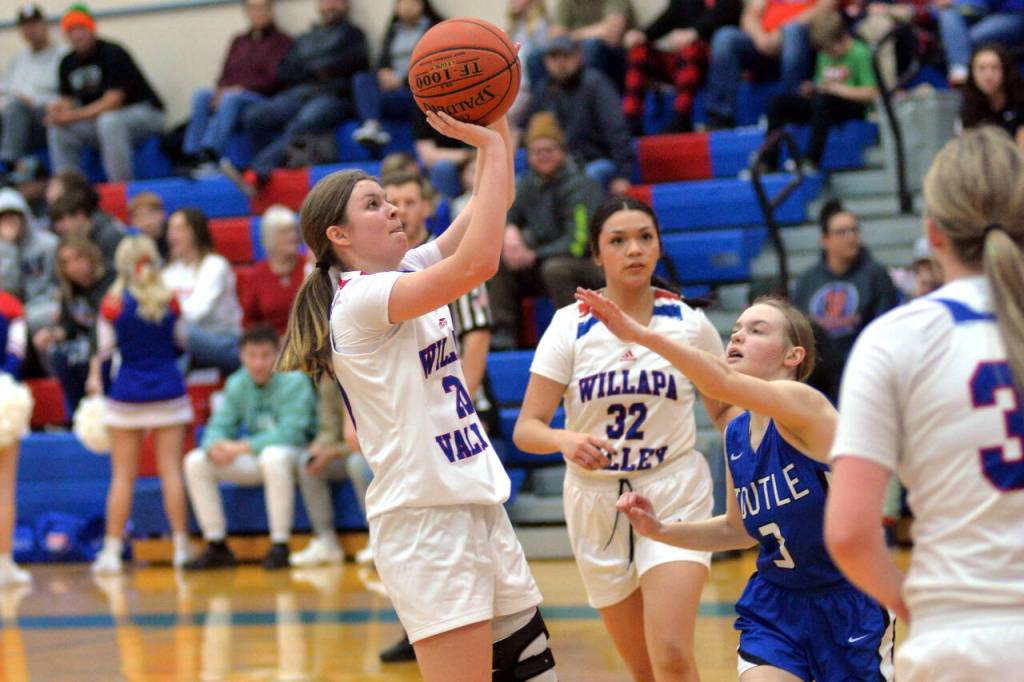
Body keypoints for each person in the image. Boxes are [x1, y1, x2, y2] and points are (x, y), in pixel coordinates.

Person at [276, 111, 557, 682]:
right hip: (424, 521)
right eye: (375, 205)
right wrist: (484, 141)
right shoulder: (358, 300)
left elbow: (490, 207)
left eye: (389, 200)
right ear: (339, 236)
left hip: (473, 504)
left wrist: (499, 120)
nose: (395, 209)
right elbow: (480, 261)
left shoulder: (405, 267)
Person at [587, 288, 895, 681]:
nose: (737, 336)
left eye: (756, 330)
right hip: (777, 604)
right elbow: (737, 530)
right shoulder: (737, 434)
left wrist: (643, 335)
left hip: (849, 601)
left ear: (793, 356)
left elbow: (720, 383)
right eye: (736, 329)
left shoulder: (807, 408)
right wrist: (660, 529)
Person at [824, 127, 1024, 680]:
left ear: (933, 234)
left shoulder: (896, 338)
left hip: (956, 640)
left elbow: (847, 531)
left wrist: (918, 607)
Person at [513, 196, 736, 681]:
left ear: (658, 247)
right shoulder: (569, 326)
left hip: (673, 489)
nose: (634, 249)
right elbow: (526, 428)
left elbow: (725, 410)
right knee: (643, 670)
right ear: (596, 254)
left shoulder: (689, 325)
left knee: (672, 654)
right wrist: (565, 440)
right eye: (618, 240)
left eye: (644, 238)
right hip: (597, 502)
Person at [85, 236, 195, 574]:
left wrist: (103, 393)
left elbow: (104, 357)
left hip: (128, 393)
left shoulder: (112, 304)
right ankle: (180, 546)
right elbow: (181, 346)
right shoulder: (170, 300)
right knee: (171, 473)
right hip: (169, 392)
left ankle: (112, 552)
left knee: (122, 477)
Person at [184, 324, 315, 570]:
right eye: (251, 356)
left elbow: (293, 432)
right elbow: (218, 426)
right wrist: (214, 445)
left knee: (273, 456)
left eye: (265, 355)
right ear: (242, 357)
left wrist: (242, 447)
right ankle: (217, 545)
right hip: (257, 456)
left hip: (296, 455)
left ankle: (280, 544)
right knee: (196, 461)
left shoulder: (295, 381)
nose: (258, 363)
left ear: (278, 354)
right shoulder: (236, 383)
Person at [224, 0, 369, 195]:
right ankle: (278, 164)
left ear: (345, 5)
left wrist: (316, 67)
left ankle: (257, 172)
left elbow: (354, 64)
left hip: (333, 95)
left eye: (335, 1)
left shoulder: (353, 34)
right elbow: (285, 70)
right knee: (255, 115)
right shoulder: (305, 37)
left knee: (303, 122)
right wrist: (316, 69)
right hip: (300, 92)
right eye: (325, 2)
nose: (329, 6)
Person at [489, 112, 604, 350]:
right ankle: (503, 333)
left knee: (556, 269)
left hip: (585, 265)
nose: (543, 156)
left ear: (562, 151)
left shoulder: (583, 185)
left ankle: (574, 333)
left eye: (549, 150)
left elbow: (579, 243)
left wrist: (534, 254)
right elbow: (510, 212)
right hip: (542, 262)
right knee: (499, 261)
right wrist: (510, 231)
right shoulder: (527, 184)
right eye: (536, 151)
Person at [791, 198, 899, 401]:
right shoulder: (807, 281)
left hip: (863, 373)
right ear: (824, 239)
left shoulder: (876, 276)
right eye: (842, 232)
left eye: (854, 230)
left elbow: (885, 329)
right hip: (818, 378)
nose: (851, 237)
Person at [45, 4, 165, 182]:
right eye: (71, 30)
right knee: (59, 131)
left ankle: (120, 186)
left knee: (109, 121)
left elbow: (113, 101)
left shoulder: (113, 52)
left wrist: (72, 116)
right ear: (66, 35)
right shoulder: (67, 62)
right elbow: (67, 101)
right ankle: (68, 189)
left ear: (92, 28)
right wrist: (57, 112)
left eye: (81, 28)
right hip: (98, 122)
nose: (77, 35)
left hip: (144, 114)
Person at [763, 12, 878, 172]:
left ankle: (811, 160)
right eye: (825, 49)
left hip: (852, 106)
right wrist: (813, 88)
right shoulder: (824, 54)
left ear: (843, 36)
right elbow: (821, 82)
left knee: (824, 101)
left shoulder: (860, 52)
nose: (828, 53)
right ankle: (767, 162)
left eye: (831, 48)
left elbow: (872, 93)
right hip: (824, 104)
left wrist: (837, 89)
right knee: (779, 102)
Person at [183, 0, 292, 169]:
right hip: (231, 96)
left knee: (232, 97)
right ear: (246, 12)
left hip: (261, 100)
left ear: (271, 11)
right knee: (202, 95)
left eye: (262, 8)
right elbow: (224, 74)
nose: (257, 13)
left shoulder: (282, 41)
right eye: (252, 9)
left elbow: (274, 80)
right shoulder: (238, 41)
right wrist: (220, 91)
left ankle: (210, 152)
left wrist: (241, 89)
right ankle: (191, 153)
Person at [522, 36, 635, 194]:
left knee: (589, 177)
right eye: (554, 57)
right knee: (522, 183)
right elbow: (524, 128)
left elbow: (616, 129)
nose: (560, 62)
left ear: (579, 57)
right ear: (546, 61)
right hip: (559, 166)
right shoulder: (544, 90)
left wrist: (624, 174)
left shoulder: (595, 83)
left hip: (596, 161)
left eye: (566, 56)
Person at [621, 0, 742, 135]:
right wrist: (642, 35)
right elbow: (666, 20)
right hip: (683, 65)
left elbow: (722, 17)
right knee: (638, 52)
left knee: (690, 49)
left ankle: (682, 117)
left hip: (713, 63)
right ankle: (632, 119)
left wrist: (694, 32)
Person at [704, 0, 831, 129]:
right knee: (725, 37)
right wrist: (760, 38)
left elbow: (823, 10)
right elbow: (749, 17)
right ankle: (720, 116)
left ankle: (793, 108)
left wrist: (781, 33)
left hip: (805, 47)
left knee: (793, 32)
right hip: (765, 47)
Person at [33, 236, 114, 415]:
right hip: (86, 343)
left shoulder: (109, 281)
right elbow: (68, 327)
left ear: (91, 256)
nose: (73, 266)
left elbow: (99, 329)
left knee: (83, 353)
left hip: (111, 344)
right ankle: (78, 412)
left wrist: (94, 370)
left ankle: (103, 408)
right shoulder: (69, 290)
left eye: (78, 258)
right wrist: (51, 334)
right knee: (58, 352)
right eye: (66, 262)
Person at [161, 207, 243, 375]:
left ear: (196, 233)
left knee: (181, 333)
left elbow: (197, 312)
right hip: (185, 343)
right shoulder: (168, 271)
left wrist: (164, 324)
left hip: (224, 342)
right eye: (170, 229)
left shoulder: (215, 265)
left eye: (179, 229)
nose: (172, 236)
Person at [351, 0, 442, 148]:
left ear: (423, 5)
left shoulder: (435, 29)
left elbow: (435, 66)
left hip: (415, 92)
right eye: (403, 3)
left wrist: (403, 80)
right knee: (361, 78)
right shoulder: (393, 31)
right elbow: (381, 62)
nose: (407, 8)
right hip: (391, 91)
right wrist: (382, 73)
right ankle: (372, 126)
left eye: (413, 3)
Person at [1, 4, 67, 175]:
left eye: (34, 24)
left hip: (45, 118)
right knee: (12, 108)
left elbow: (68, 98)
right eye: (25, 26)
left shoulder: (64, 55)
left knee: (16, 107)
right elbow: (6, 91)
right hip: (14, 119)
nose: (30, 30)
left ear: (45, 24)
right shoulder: (18, 60)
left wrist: (33, 101)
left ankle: (7, 165)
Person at [0, 289, 30, 587]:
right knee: (5, 486)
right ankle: (4, 563)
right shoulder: (11, 307)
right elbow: (16, 356)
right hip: (4, 398)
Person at [0, 186, 58, 336]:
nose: (8, 223)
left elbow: (59, 282)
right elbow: (8, 292)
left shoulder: (48, 244)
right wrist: (8, 249)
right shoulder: (2, 251)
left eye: (13, 216)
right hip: (18, 310)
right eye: (3, 219)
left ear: (24, 216)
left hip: (48, 304)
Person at [239, 205, 304, 335]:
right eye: (285, 232)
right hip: (272, 347)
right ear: (271, 238)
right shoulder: (256, 276)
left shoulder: (310, 267)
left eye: (294, 230)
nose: (293, 236)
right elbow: (248, 323)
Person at [547, 0, 636, 87]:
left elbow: (613, 31)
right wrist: (594, 31)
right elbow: (556, 38)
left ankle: (592, 97)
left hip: (615, 54)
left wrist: (571, 35)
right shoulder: (567, 2)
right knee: (538, 55)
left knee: (591, 46)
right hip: (577, 53)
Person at [934, 0, 1024, 85]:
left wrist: (957, 2)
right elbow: (933, 9)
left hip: (1012, 14)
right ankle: (961, 71)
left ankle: (964, 73)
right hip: (972, 14)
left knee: (967, 37)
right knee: (948, 14)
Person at [959, 43, 1024, 147]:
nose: (988, 76)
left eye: (995, 68)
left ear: (1006, 71)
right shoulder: (969, 107)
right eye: (981, 68)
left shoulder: (1020, 102)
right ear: (972, 74)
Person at [125, 192, 168, 260]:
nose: (147, 223)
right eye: (140, 218)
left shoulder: (175, 239)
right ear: (132, 222)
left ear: (163, 214)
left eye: (151, 215)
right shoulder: (134, 246)